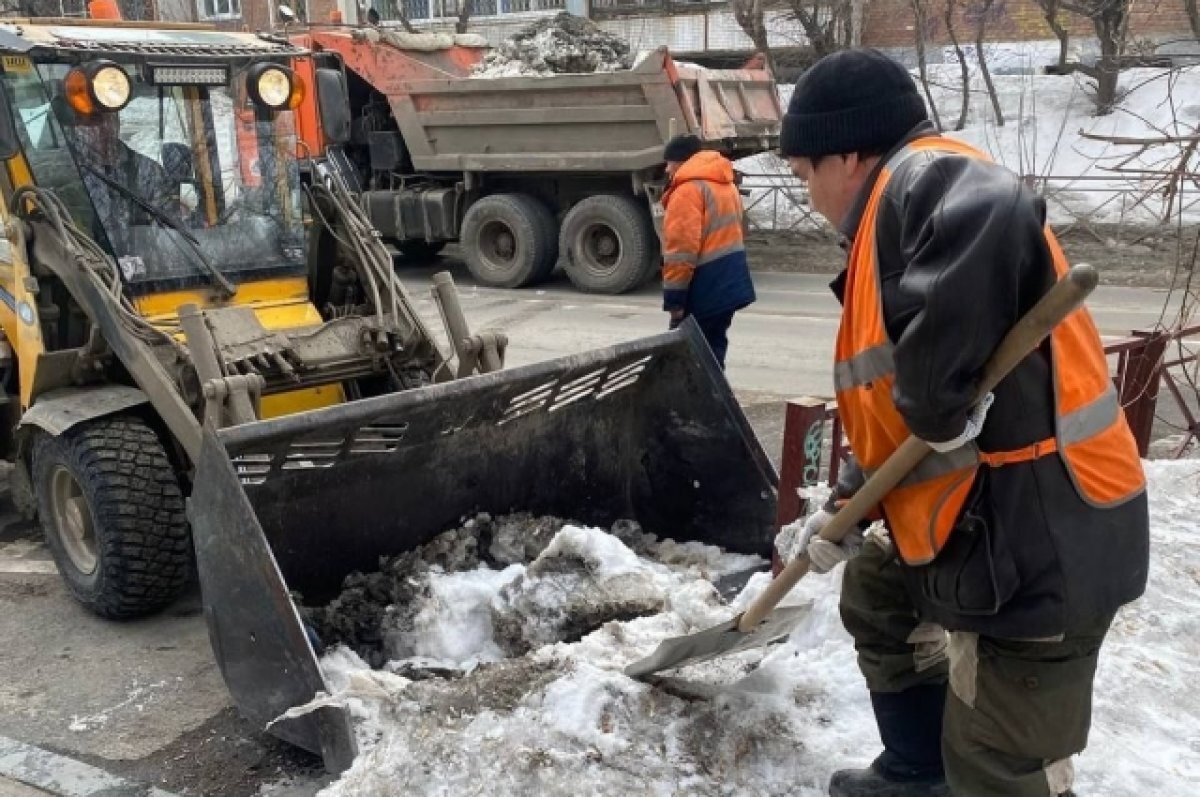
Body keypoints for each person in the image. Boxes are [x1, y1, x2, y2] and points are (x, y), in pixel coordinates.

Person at [781, 49, 1150, 797]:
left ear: (848, 156)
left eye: (803, 173)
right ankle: (920, 772)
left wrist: (936, 395)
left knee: (998, 759)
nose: (805, 194)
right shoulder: (888, 221)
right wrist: (850, 501)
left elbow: (995, 206)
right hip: (987, 520)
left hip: (1048, 539)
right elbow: (890, 408)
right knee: (877, 594)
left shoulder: (923, 177)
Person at [660, 134, 755, 369]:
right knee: (713, 351)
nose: (666, 169)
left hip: (705, 287)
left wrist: (675, 302)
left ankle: (701, 404)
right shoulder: (725, 183)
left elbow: (680, 253)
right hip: (729, 283)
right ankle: (716, 400)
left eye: (669, 162)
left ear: (681, 162)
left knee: (689, 360)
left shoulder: (687, 191)